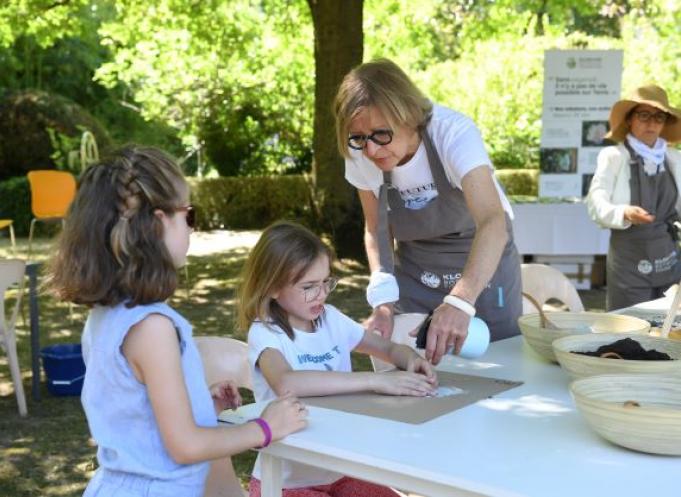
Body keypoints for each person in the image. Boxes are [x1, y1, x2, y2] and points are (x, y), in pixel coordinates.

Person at [46, 146, 307, 497]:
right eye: (189, 215)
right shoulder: (152, 328)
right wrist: (266, 427)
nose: (191, 227)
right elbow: (183, 446)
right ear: (157, 224)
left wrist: (201, 404)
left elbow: (134, 413)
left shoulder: (106, 316)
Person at [334, 58, 522, 365]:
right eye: (359, 138)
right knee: (420, 369)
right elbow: (378, 229)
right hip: (419, 270)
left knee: (498, 363)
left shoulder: (452, 133)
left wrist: (461, 302)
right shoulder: (360, 152)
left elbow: (492, 222)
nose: (371, 151)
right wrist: (383, 302)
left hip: (480, 262)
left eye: (381, 134)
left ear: (408, 116)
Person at [237, 220, 437, 497]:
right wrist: (374, 381)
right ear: (272, 286)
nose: (320, 294)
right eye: (308, 287)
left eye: (325, 282)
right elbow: (286, 383)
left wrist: (409, 358)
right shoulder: (266, 332)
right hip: (284, 482)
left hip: (340, 469)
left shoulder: (330, 319)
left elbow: (388, 349)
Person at [587, 84, 681, 310]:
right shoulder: (613, 156)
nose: (651, 122)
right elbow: (595, 201)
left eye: (659, 117)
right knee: (629, 324)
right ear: (630, 119)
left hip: (667, 254)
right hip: (628, 257)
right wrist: (623, 212)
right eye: (644, 115)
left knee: (668, 324)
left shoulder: (674, 158)